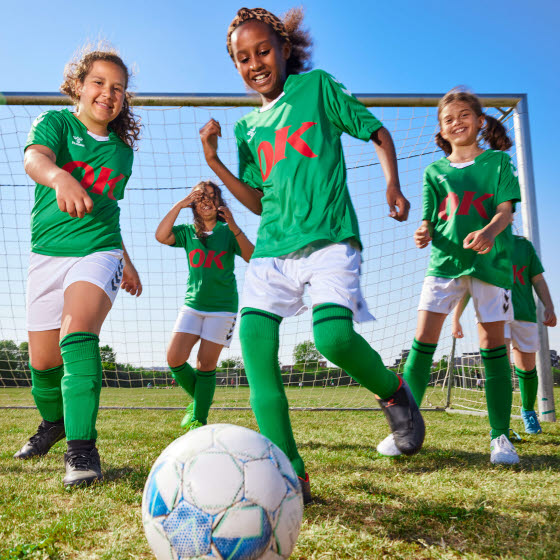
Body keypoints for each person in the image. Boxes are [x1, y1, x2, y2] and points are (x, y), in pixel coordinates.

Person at [199, 6, 425, 503]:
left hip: (329, 240)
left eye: (262, 51)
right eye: (243, 57)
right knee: (255, 350)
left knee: (333, 338)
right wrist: (214, 160)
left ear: (284, 50)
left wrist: (392, 182)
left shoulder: (316, 87)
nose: (255, 63)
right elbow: (258, 201)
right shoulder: (245, 130)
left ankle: (393, 392)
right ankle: (291, 474)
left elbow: (377, 132)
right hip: (272, 250)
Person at [13, 47, 143, 487]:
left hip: (98, 250)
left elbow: (107, 212)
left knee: (78, 334)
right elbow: (34, 159)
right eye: (99, 83)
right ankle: (54, 424)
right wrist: (60, 177)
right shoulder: (55, 123)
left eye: (118, 88)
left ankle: (82, 450)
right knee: (43, 366)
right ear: (78, 86)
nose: (108, 93)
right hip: (47, 253)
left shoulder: (122, 154)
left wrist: (124, 259)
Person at [376, 88, 521, 464]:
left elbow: (505, 211)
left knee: (493, 347)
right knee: (423, 341)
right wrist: (422, 232)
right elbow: (427, 221)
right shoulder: (433, 171)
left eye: (463, 116)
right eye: (448, 119)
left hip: (491, 264)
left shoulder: (498, 163)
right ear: (441, 130)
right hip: (444, 263)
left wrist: (489, 232)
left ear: (480, 121)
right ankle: (403, 429)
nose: (457, 123)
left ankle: (500, 438)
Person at [155, 181, 254, 429]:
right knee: (174, 358)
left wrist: (233, 224)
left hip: (222, 308)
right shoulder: (188, 232)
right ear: (193, 204)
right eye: (200, 197)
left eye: (212, 196)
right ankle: (200, 401)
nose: (207, 200)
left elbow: (252, 256)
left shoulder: (227, 231)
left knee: (205, 364)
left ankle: (199, 419)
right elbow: (161, 236)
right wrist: (180, 204)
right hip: (193, 305)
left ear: (219, 202)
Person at [452, 232, 556, 433]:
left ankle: (528, 412)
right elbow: (468, 284)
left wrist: (549, 306)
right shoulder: (480, 243)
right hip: (494, 314)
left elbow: (538, 279)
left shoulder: (524, 246)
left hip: (524, 313)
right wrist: (456, 318)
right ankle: (502, 423)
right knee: (500, 367)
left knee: (527, 367)